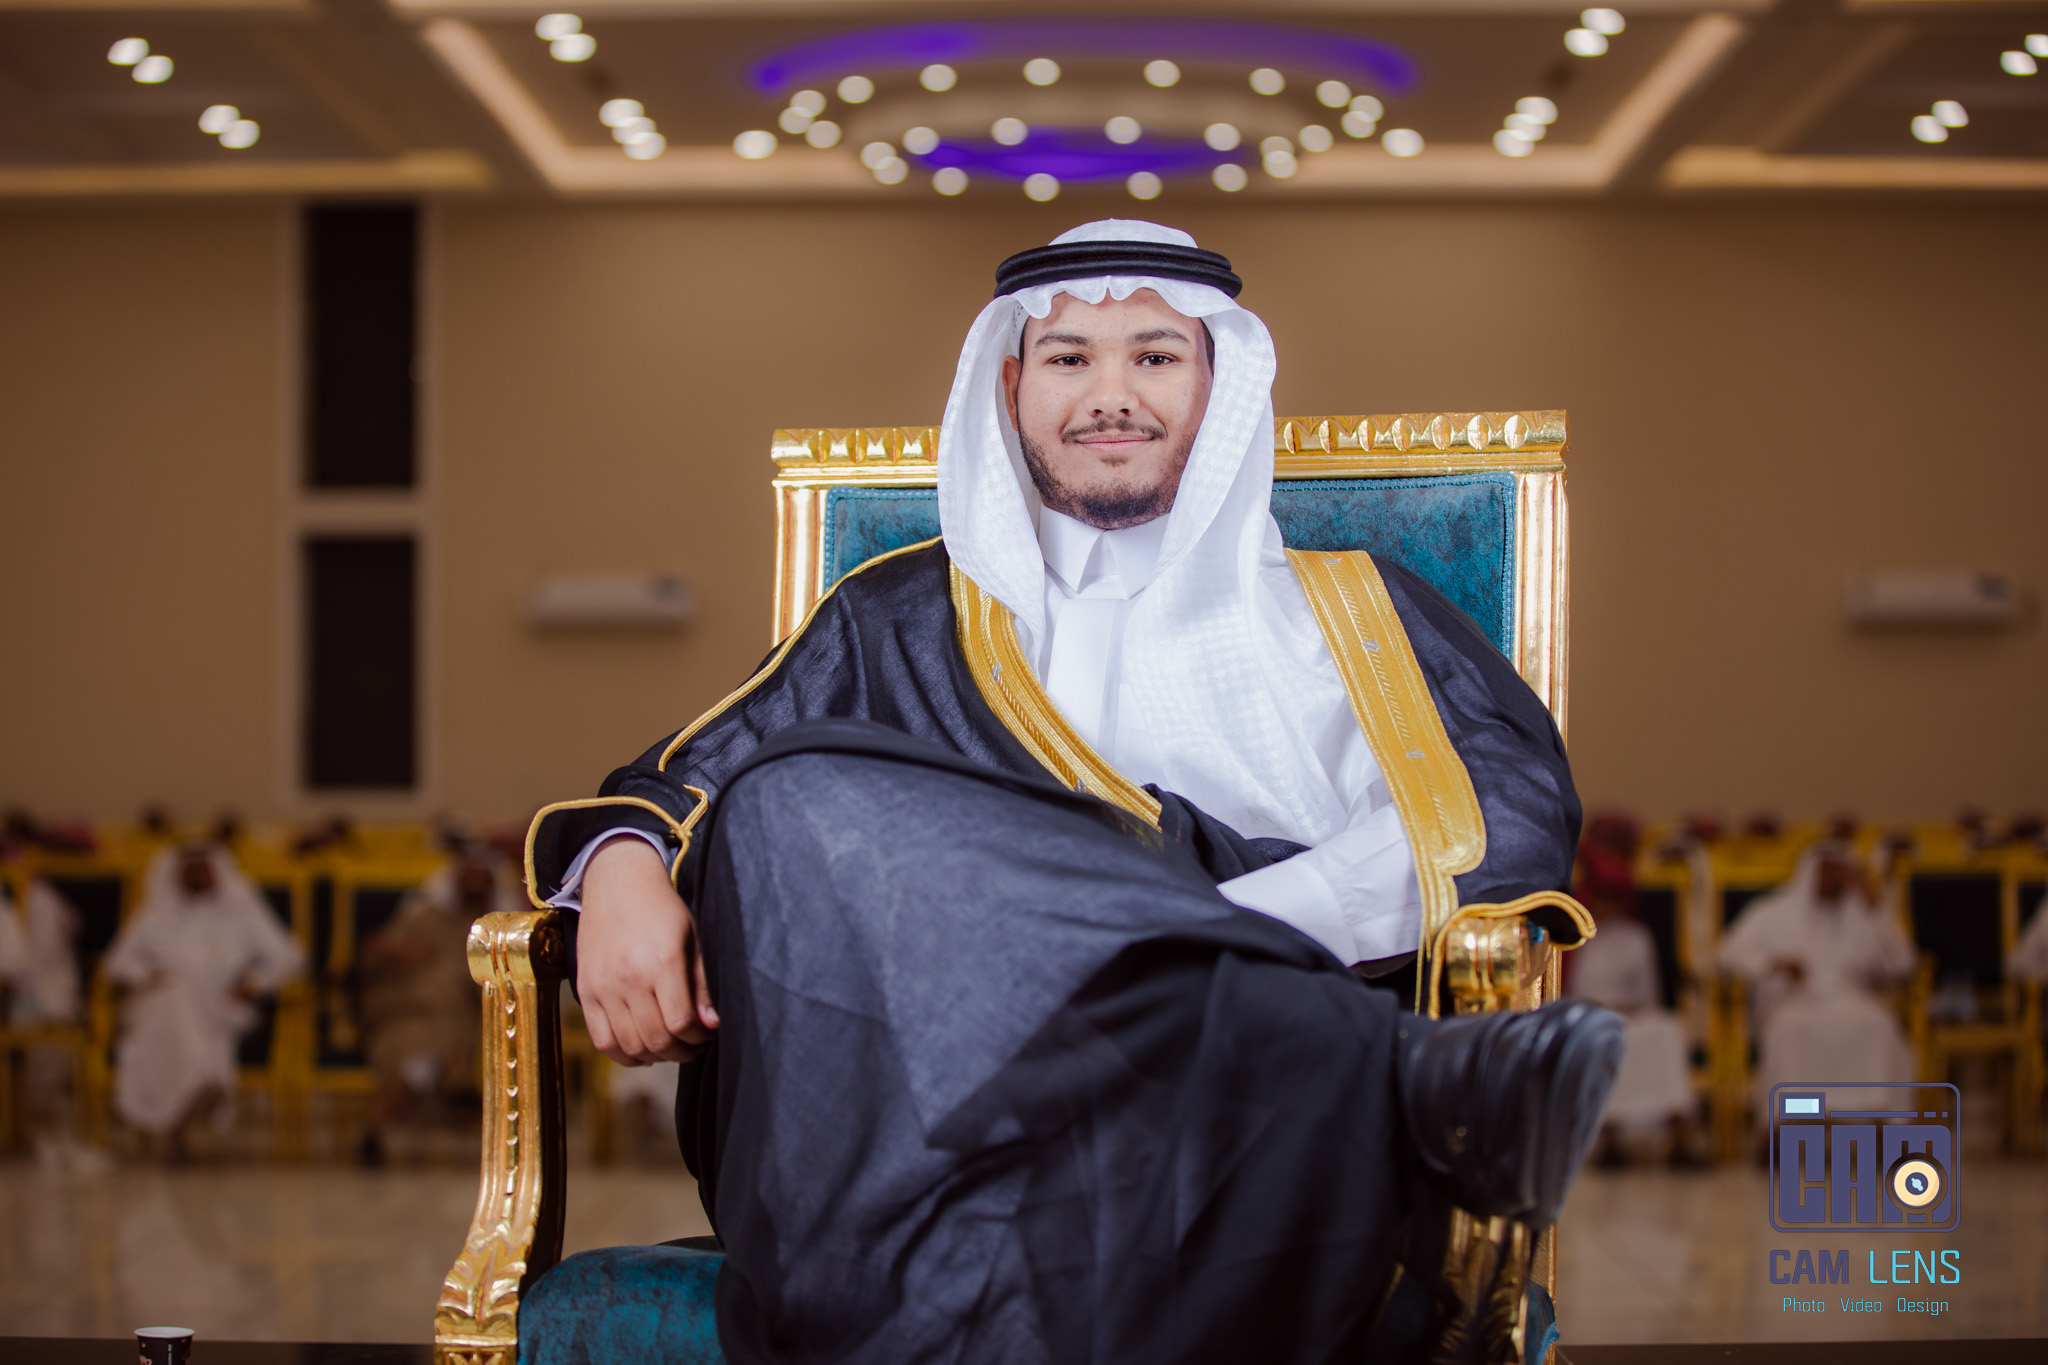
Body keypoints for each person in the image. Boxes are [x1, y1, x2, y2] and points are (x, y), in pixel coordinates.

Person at [524, 221, 1621, 1363]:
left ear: (1219, 387)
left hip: (1235, 1112)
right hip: (939, 1124)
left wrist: (1212, 937)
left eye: (1154, 356)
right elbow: (694, 778)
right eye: (1068, 357)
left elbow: (1503, 813)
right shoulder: (897, 617)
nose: (1111, 395)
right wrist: (622, 866)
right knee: (785, 793)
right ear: (1010, 387)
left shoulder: (1355, 611)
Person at [102, 843, 303, 1157]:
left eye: (203, 869)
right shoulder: (156, 913)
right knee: (174, 1000)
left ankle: (178, 1124)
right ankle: (200, 1084)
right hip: (160, 1002)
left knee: (184, 1012)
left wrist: (253, 984)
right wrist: (148, 975)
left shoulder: (243, 911)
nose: (196, 876)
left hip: (220, 1005)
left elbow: (289, 958)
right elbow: (117, 962)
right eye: (189, 870)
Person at [1719, 840, 1917, 1113]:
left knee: (1877, 1027)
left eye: (1841, 873)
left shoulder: (1865, 916)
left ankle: (1868, 1114)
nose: (1834, 880)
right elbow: (1727, 954)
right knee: (1790, 1031)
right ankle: (1797, 1114)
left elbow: (1903, 964)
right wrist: (1773, 964)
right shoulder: (1771, 912)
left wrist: (1874, 909)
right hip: (1791, 1002)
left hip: (1852, 999)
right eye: (1828, 872)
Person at [356, 849, 498, 1166]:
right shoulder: (423, 917)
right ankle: (455, 1077)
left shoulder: (489, 928)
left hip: (459, 1015)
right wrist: (400, 953)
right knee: (434, 1034)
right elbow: (374, 951)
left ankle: (376, 1127)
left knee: (424, 1055)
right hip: (404, 1009)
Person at [1569, 819, 1698, 1166]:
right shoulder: (1572, 938)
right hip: (1582, 1016)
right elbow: (1561, 991)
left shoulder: (1637, 937)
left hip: (1629, 1016)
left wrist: (1629, 1008)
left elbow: (1648, 995)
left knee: (1666, 1029)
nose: (1607, 904)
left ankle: (1678, 1137)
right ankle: (1608, 1137)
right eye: (1602, 896)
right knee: (1597, 1038)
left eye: (1614, 896)